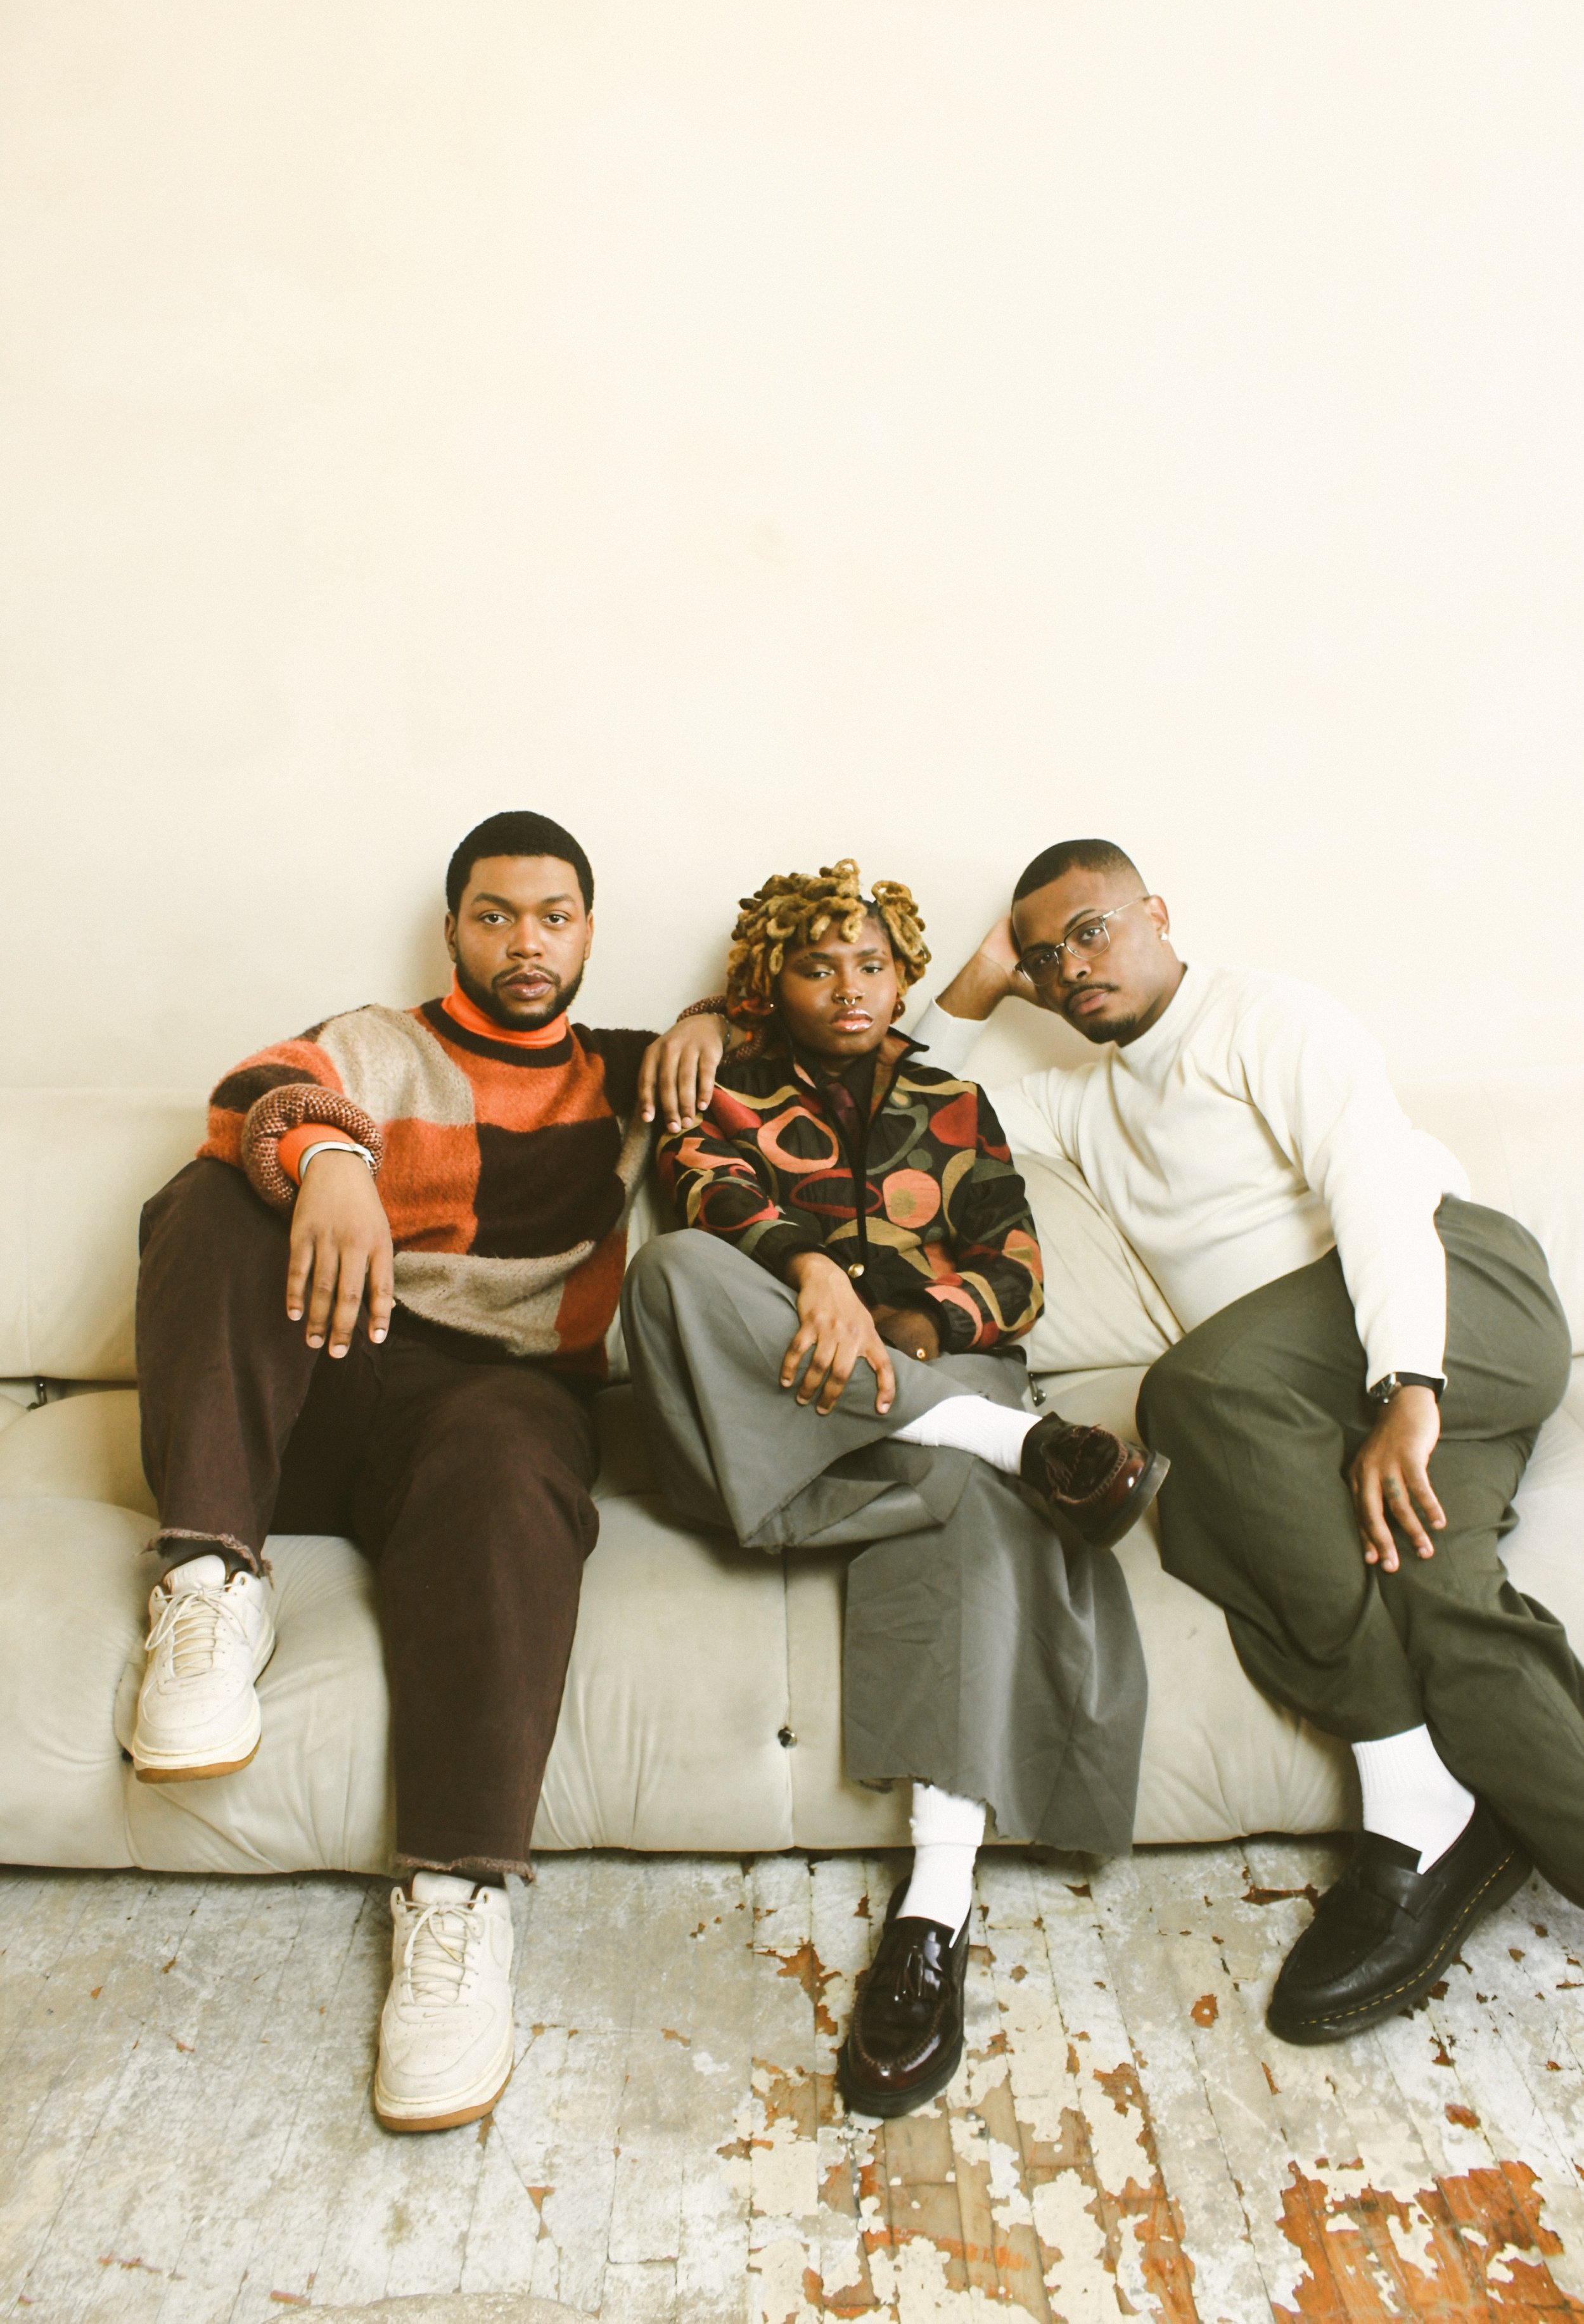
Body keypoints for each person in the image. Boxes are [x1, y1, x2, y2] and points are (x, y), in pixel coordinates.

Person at [902, 835, 1577, 2045]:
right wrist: (981, 976)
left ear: (1158, 913)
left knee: (1187, 1398)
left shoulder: (1264, 1016)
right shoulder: (1072, 1101)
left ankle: (1406, 1801)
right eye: (1047, 957)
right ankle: (1433, 1811)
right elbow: (899, 1102)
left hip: (1454, 1301)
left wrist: (1409, 1385)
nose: (1072, 968)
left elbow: (1373, 1182)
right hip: (1309, 1404)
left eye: (1093, 931)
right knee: (1432, 1590)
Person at [131, 809, 720, 2132]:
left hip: (494, 1409)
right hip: (330, 1383)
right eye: (495, 914)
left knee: (513, 1449)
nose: (525, 941)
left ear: (587, 933)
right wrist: (331, 1158)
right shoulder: (377, 1042)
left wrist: (709, 1012)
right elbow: (259, 1087)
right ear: (453, 928)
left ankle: (457, 1902)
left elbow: (802, 1025)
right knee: (213, 1192)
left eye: (553, 915)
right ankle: (209, 1577)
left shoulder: (629, 1071)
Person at [620, 860, 1161, 2117]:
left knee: (971, 1513)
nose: (849, 989)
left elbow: (1014, 1265)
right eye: (817, 966)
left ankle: (932, 1909)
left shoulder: (950, 1095)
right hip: (767, 1412)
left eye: (869, 964)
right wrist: (813, 1274)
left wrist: (912, 1325)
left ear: (902, 974)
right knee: (671, 1278)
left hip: (913, 1396)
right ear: (771, 982)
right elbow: (704, 1197)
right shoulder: (722, 1084)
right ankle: (1005, 1438)